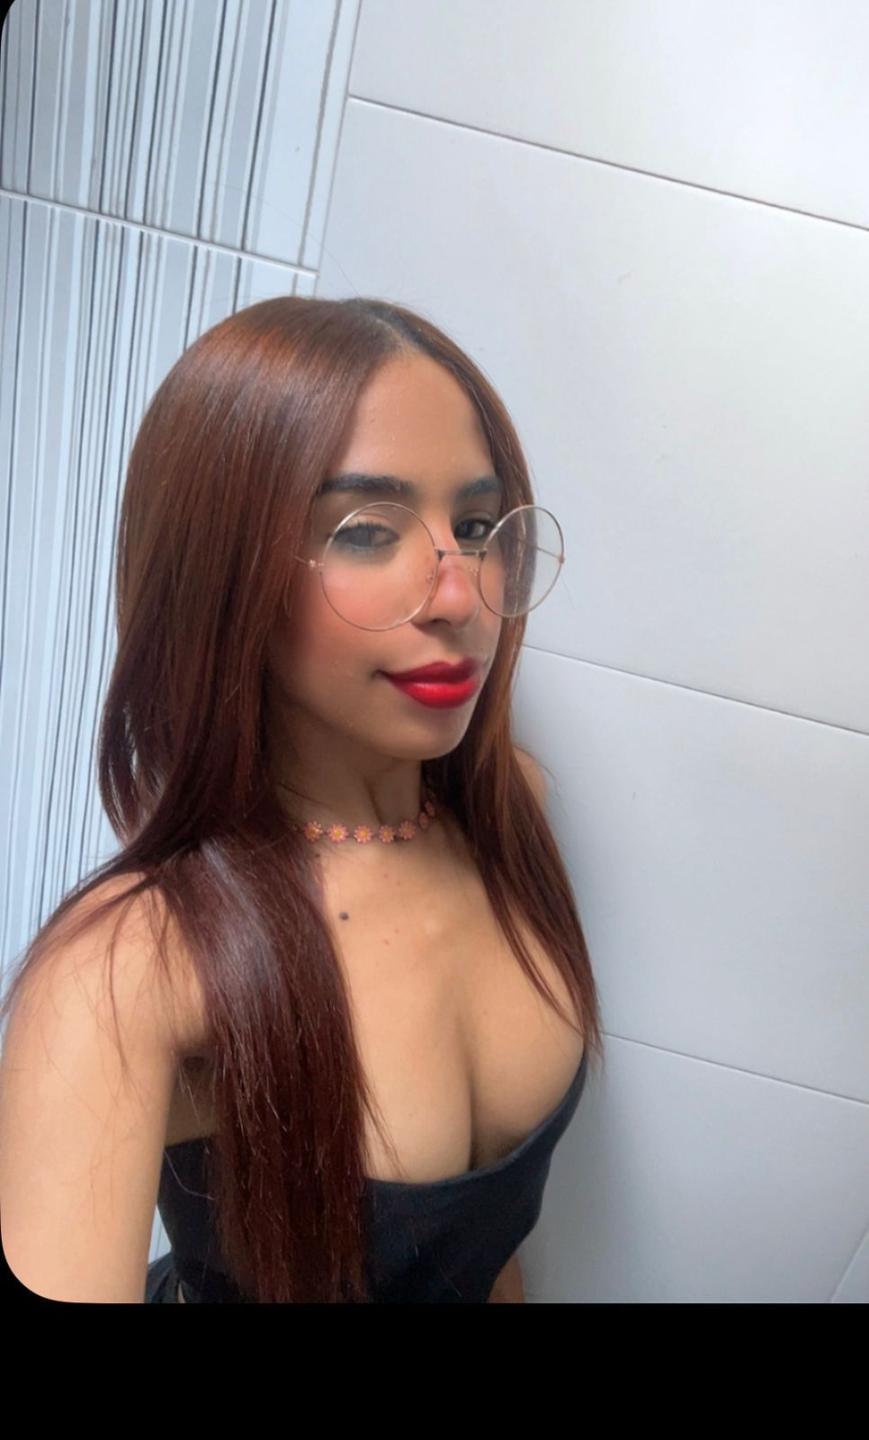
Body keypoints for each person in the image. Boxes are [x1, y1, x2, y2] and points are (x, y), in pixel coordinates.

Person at [0, 296, 602, 1304]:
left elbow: (487, 1254)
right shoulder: (130, 971)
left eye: (474, 525)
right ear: (222, 572)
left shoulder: (510, 812)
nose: (461, 595)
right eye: (365, 531)